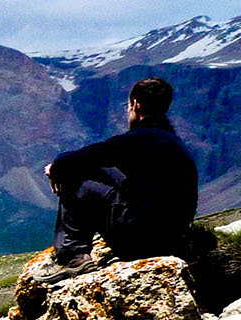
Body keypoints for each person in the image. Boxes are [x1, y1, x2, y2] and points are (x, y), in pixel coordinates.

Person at [31, 76, 199, 284]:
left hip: (141, 240)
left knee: (75, 176)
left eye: (128, 106)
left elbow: (86, 156)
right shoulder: (171, 140)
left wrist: (58, 167)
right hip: (173, 237)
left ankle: (71, 257)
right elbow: (96, 159)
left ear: (135, 105)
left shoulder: (139, 140)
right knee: (91, 166)